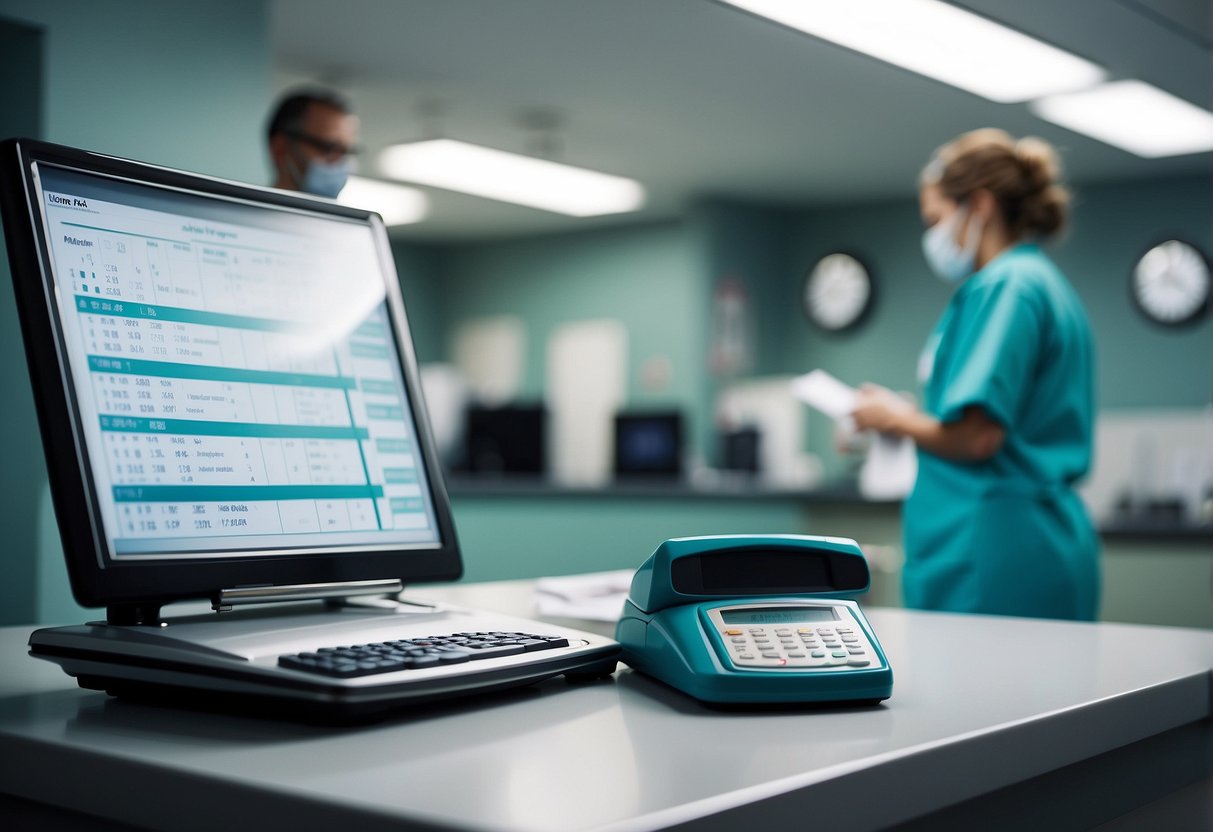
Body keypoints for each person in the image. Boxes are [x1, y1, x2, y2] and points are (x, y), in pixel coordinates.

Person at [850, 128, 1099, 621]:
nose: (934, 237)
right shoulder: (1044, 284)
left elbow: (978, 435)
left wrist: (895, 419)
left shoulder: (1005, 287)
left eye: (936, 219)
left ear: (979, 205)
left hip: (993, 550)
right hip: (1038, 541)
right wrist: (899, 418)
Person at [265, 87, 360, 198]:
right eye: (328, 147)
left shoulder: (353, 215)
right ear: (280, 149)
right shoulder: (243, 214)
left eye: (345, 151)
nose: (339, 161)